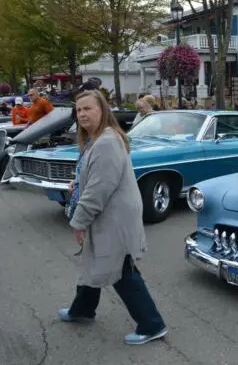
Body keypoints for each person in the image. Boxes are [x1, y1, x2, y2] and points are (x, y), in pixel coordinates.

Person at [59, 90, 167, 345]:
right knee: (96, 262)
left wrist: (79, 222)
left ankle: (152, 325)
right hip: (111, 214)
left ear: (103, 110)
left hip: (115, 217)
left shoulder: (106, 142)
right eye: (79, 110)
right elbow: (94, 179)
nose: (83, 114)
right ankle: (82, 310)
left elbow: (99, 190)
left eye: (88, 109)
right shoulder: (98, 139)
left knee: (121, 269)